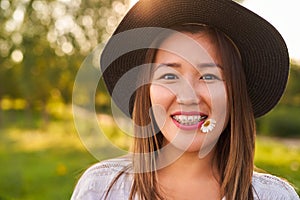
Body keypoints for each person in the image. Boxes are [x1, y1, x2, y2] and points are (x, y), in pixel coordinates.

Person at [71, 0, 300, 199]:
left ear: (234, 96)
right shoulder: (101, 189)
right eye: (169, 75)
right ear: (147, 91)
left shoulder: (275, 196)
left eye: (209, 76)